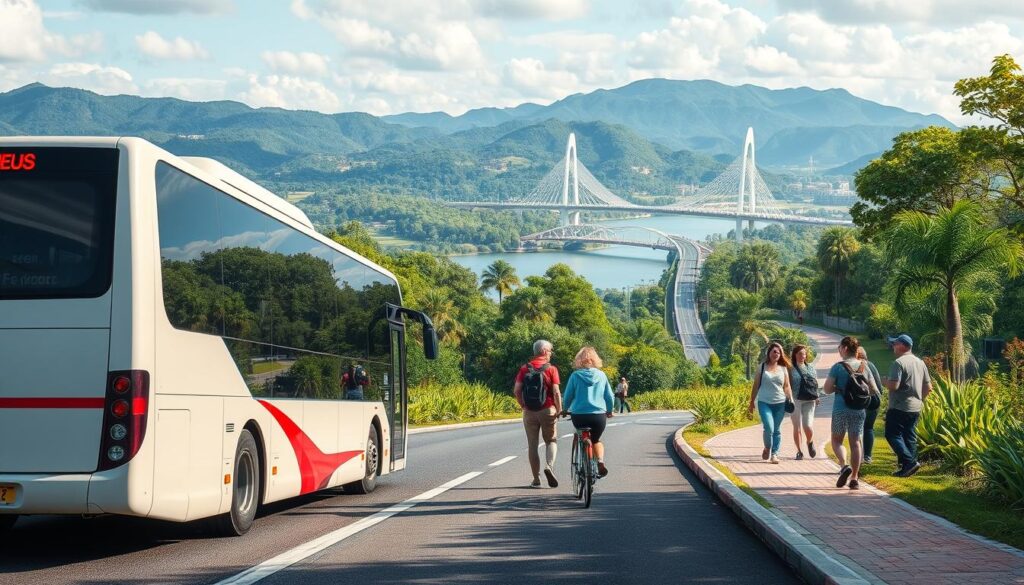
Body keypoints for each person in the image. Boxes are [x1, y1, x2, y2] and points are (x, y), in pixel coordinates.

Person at [822, 336, 879, 490]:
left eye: (839, 347)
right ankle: (854, 477)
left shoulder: (838, 367)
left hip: (840, 408)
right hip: (859, 410)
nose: (839, 350)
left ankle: (843, 465)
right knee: (855, 442)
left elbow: (826, 389)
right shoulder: (864, 366)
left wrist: (840, 389)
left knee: (837, 440)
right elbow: (874, 390)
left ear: (845, 348)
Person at [513, 339, 562, 488]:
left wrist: (523, 405)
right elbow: (556, 392)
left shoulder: (524, 369)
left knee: (532, 446)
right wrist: (559, 409)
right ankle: (549, 466)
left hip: (529, 412)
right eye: (551, 350)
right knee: (551, 441)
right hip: (547, 409)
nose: (551, 353)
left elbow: (517, 390)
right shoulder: (551, 369)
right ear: (545, 351)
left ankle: (536, 479)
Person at [561, 346, 615, 478]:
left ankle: (585, 439)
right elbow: (609, 396)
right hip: (598, 416)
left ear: (579, 360)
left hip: (579, 416)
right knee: (596, 440)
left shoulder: (575, 376)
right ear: (595, 359)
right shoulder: (601, 375)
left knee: (582, 434)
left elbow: (568, 396)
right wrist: (609, 410)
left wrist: (564, 409)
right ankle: (600, 461)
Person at [883, 334, 932, 478]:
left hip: (899, 406)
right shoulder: (920, 362)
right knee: (909, 436)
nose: (892, 346)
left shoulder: (899, 363)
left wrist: (883, 380)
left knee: (892, 434)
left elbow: (894, 385)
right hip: (915, 407)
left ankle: (909, 463)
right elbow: (928, 387)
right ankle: (908, 467)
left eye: (895, 343)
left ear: (902, 346)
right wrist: (919, 399)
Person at [747, 341, 795, 464]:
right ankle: (767, 447)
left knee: (777, 429)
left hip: (780, 403)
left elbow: (787, 386)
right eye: (774, 351)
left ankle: (774, 454)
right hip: (764, 402)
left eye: (779, 352)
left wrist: (791, 398)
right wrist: (751, 402)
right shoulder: (762, 367)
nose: (776, 354)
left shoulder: (783, 369)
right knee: (769, 427)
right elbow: (756, 385)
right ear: (769, 353)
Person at [789, 344, 820, 460]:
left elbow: (815, 383)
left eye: (804, 353)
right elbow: (786, 384)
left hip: (809, 400)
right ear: (795, 355)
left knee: (807, 426)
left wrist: (817, 396)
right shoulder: (790, 368)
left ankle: (810, 441)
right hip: (795, 399)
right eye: (800, 353)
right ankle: (799, 451)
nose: (802, 356)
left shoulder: (811, 367)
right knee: (796, 427)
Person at [856, 346, 884, 464]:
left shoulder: (856, 365)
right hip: (874, 400)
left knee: (858, 429)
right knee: (868, 428)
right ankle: (867, 456)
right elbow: (879, 386)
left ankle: (858, 456)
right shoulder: (872, 365)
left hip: (861, 401)